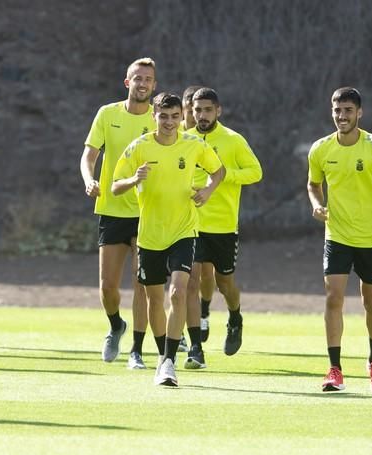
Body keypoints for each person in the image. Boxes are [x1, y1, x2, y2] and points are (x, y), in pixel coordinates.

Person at [112, 92, 225, 386]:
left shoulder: (194, 145)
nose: (170, 122)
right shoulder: (139, 147)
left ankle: (168, 361)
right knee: (154, 299)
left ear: (181, 116)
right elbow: (115, 187)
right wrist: (134, 180)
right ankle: (162, 351)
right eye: (164, 116)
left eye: (175, 116)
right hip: (150, 235)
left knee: (177, 293)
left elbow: (219, 170)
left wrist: (208, 191)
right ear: (154, 117)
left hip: (184, 230)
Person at [307, 87, 372, 392]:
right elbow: (313, 184)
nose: (342, 116)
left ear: (359, 113)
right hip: (337, 236)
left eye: (348, 111)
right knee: (333, 297)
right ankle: (334, 369)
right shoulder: (321, 149)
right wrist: (316, 204)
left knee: (371, 300)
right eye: (337, 110)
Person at [80, 58, 157, 369]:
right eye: (137, 78)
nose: (142, 83)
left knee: (142, 282)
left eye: (148, 79)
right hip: (112, 208)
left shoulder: (160, 118)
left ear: (154, 85)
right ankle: (115, 326)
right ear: (127, 82)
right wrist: (90, 180)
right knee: (107, 286)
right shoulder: (107, 114)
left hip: (148, 211)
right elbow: (89, 155)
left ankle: (137, 350)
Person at [183, 87, 262, 369]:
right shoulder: (185, 139)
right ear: (190, 112)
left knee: (224, 282)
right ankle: (194, 347)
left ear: (218, 111)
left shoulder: (232, 140)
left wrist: (226, 175)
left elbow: (256, 172)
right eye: (197, 110)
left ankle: (235, 316)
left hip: (224, 226)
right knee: (190, 282)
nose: (201, 115)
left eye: (207, 110)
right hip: (190, 223)